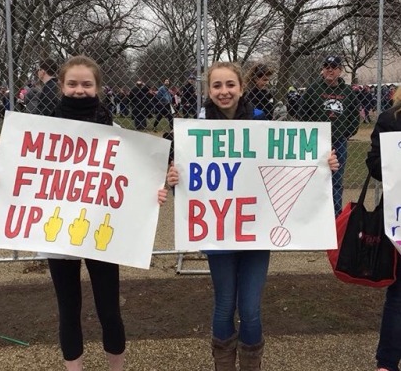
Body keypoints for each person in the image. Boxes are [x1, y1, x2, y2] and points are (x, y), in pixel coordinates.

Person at [0, 55, 168, 371]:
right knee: (68, 309)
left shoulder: (115, 131)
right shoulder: (40, 133)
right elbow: (23, 173)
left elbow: (134, 179)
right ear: (61, 86)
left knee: (109, 309)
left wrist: (154, 193)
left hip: (102, 234)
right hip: (57, 233)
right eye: (73, 83)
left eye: (86, 84)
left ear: (97, 87)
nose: (79, 90)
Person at [166, 61, 339, 371]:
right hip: (218, 234)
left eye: (230, 84)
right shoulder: (196, 132)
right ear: (209, 90)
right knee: (223, 307)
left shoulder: (262, 123)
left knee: (250, 309)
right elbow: (191, 188)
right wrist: (176, 181)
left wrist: (322, 162)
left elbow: (289, 163)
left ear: (241, 88)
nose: (224, 91)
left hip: (256, 232)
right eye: (217, 85)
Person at [366, 85, 401, 371]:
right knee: (399, 291)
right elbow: (374, 164)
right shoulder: (391, 118)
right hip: (399, 216)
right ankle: (387, 362)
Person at [298, 55, 359, 216]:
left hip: (338, 141)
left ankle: (335, 214)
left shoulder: (347, 92)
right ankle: (314, 213)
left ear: (340, 70)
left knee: (337, 180)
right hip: (317, 141)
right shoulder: (313, 89)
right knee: (314, 177)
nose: (329, 69)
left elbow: (354, 116)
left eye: (333, 66)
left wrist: (346, 133)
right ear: (322, 69)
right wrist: (312, 131)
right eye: (326, 66)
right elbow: (302, 113)